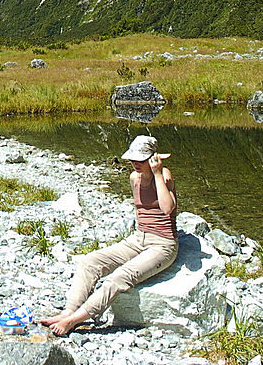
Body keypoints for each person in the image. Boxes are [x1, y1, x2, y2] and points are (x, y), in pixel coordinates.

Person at [41, 135, 179, 336]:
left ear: (152, 158)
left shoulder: (164, 176)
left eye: (141, 160)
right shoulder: (134, 177)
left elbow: (167, 208)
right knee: (90, 261)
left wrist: (157, 174)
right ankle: (69, 311)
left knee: (120, 276)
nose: (135, 164)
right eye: (133, 160)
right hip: (138, 238)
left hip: (163, 244)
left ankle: (75, 320)